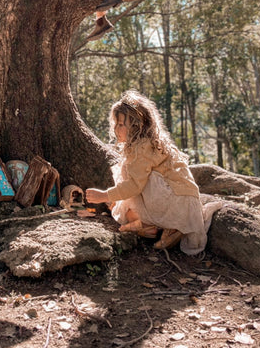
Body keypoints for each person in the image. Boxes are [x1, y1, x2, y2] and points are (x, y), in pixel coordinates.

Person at [86, 90, 222, 253]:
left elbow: (134, 186)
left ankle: (149, 226)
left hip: (175, 204)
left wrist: (104, 195)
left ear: (137, 126)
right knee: (124, 194)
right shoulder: (154, 143)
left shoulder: (142, 148)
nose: (116, 128)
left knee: (132, 186)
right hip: (184, 203)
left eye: (121, 124)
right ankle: (159, 228)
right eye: (115, 123)